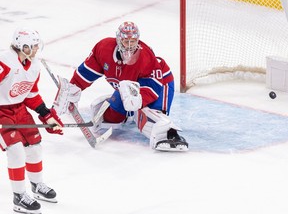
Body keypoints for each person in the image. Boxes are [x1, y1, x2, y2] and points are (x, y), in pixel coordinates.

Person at [56, 21, 188, 152]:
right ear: (119, 40)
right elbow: (87, 71)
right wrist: (74, 87)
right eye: (126, 42)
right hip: (128, 87)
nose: (130, 46)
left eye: (133, 42)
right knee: (111, 119)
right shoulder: (104, 48)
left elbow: (154, 83)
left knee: (148, 118)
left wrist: (139, 100)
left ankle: (169, 134)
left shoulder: (145, 56)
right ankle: (128, 109)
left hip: (160, 82)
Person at [0, 27, 64, 214]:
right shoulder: (5, 62)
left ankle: (37, 185)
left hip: (19, 109)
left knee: (34, 147)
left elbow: (31, 94)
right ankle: (19, 197)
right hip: (1, 112)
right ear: (23, 46)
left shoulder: (33, 64)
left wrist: (46, 115)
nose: (37, 49)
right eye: (34, 46)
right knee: (16, 151)